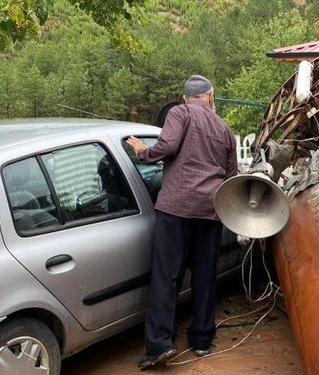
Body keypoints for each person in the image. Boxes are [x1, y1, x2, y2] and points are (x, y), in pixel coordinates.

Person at [126, 75, 238, 370]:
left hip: (176, 209)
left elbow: (166, 146)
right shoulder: (225, 129)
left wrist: (141, 151)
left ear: (185, 96)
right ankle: (201, 340)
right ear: (211, 95)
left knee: (167, 277)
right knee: (204, 276)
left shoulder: (179, 113)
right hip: (211, 211)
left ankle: (160, 345)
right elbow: (231, 177)